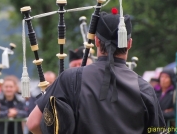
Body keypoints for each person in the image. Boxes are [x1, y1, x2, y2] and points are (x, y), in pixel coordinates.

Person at [27, 10, 166, 134]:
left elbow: (33, 124)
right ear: (129, 43)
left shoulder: (71, 78)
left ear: (97, 41)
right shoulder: (144, 88)